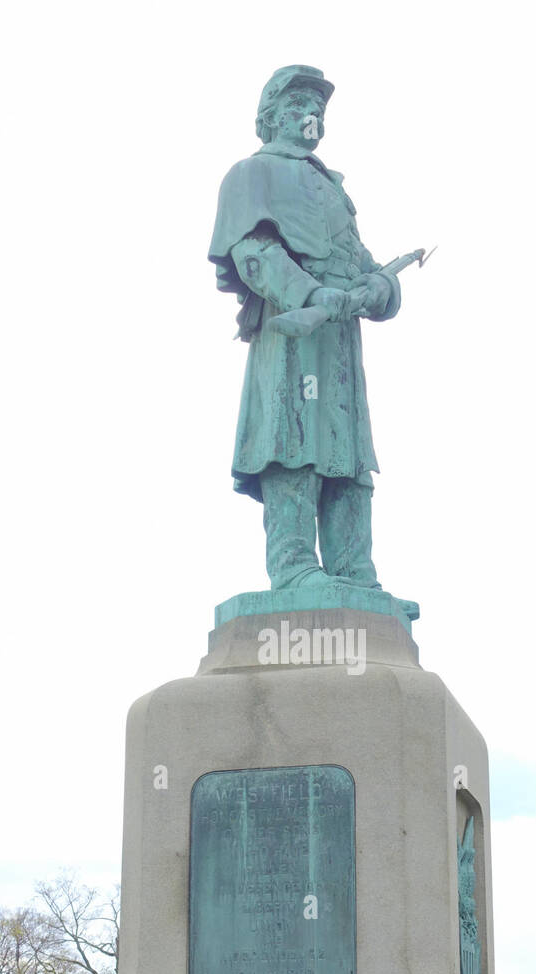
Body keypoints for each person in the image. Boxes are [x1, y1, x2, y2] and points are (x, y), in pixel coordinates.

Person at [209, 66, 401, 593]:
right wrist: (310, 294)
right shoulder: (251, 174)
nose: (309, 114)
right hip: (292, 335)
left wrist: (381, 286)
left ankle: (354, 573)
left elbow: (357, 257)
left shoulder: (333, 189)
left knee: (349, 451)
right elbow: (251, 254)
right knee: (293, 440)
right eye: (296, 104)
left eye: (315, 106)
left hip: (340, 341)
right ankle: (294, 567)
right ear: (268, 118)